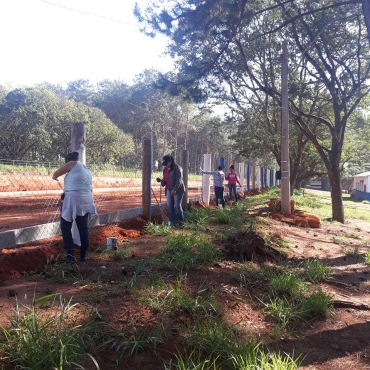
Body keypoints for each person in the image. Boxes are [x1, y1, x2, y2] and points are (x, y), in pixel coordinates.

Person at [52, 151, 96, 263]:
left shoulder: (72, 163)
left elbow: (55, 174)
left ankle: (70, 256)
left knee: (65, 226)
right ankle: (83, 255)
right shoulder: (87, 170)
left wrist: (56, 178)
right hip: (86, 197)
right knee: (83, 226)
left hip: (73, 197)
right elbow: (90, 188)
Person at [157, 155, 186, 226]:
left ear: (170, 162)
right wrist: (162, 181)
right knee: (170, 206)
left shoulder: (177, 168)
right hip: (169, 189)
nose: (165, 166)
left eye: (166, 164)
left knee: (177, 206)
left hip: (178, 190)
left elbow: (179, 180)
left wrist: (174, 189)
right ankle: (173, 223)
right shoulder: (165, 169)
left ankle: (181, 222)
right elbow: (165, 179)